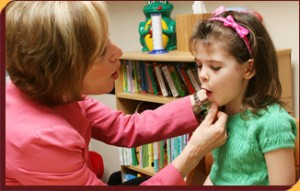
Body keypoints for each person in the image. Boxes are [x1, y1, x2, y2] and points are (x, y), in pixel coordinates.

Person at [5, 1, 228, 186]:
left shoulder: (57, 89)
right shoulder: (38, 138)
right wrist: (194, 151)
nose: (118, 52)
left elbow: (126, 127)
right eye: (102, 51)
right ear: (65, 68)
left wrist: (200, 100)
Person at [189, 6, 297, 185]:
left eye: (215, 67)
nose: (202, 75)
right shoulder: (218, 113)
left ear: (248, 69)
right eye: (199, 65)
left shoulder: (272, 123)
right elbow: (218, 174)